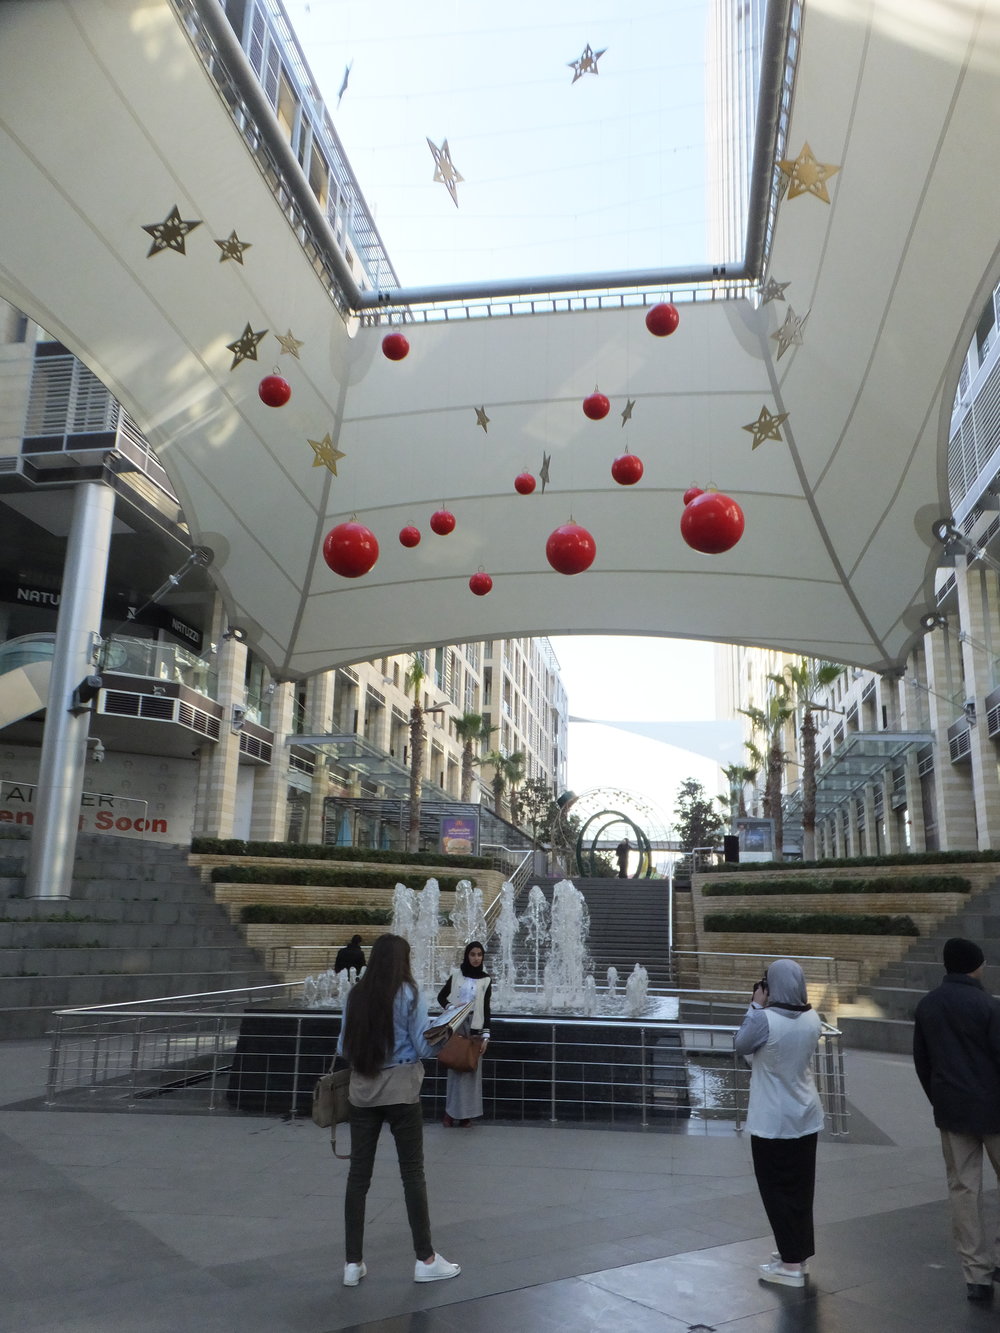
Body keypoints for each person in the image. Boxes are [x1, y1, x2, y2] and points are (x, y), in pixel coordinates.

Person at [336, 933, 460, 1288]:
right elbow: (423, 1046)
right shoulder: (409, 994)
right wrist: (446, 1028)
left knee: (358, 1178)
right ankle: (425, 1259)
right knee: (412, 1175)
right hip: (401, 1091)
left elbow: (344, 1046)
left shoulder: (356, 994)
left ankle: (352, 1263)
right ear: (402, 962)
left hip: (362, 1091)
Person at [913, 937, 1000, 1303]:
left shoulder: (928, 1005)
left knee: (964, 1191)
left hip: (952, 1112)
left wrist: (941, 1099)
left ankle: (976, 1273)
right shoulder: (988, 1006)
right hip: (995, 1111)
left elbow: (923, 1062)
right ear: (976, 965)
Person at [734, 957, 824, 1288]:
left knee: (775, 1191)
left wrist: (754, 1007)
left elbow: (741, 1044)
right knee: (800, 1189)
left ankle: (790, 1266)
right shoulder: (813, 1017)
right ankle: (795, 1253)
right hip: (805, 1114)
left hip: (773, 1119)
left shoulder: (765, 1020)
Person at [436, 941, 492, 1128]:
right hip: (456, 1026)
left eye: (479, 955)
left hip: (475, 1028)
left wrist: (486, 1036)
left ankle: (467, 1115)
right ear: (467, 956)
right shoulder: (456, 975)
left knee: (471, 1070)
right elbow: (441, 996)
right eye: (472, 954)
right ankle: (450, 1113)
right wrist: (452, 1007)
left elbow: (486, 1008)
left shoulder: (486, 980)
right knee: (455, 1068)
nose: (476, 958)